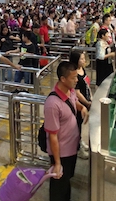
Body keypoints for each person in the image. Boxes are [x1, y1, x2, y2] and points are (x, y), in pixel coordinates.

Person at [44, 61, 89, 201]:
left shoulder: (69, 91)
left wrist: (82, 108)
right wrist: (57, 163)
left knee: (66, 181)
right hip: (61, 153)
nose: (77, 80)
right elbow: (52, 136)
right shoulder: (52, 104)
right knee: (58, 187)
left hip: (71, 149)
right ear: (63, 79)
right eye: (73, 78)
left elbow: (73, 101)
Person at [68, 50, 90, 160]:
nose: (84, 60)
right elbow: (77, 92)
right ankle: (77, 148)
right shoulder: (73, 72)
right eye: (81, 59)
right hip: (78, 103)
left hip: (85, 100)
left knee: (80, 124)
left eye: (84, 58)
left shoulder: (82, 69)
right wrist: (86, 103)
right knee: (76, 125)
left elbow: (86, 84)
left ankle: (80, 141)